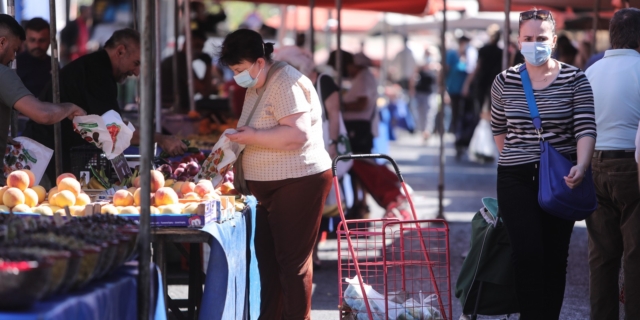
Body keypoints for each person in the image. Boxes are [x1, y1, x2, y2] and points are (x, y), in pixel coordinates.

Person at [491, 9, 596, 319]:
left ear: (552, 41)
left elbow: (586, 128)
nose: (533, 43)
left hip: (563, 177)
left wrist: (582, 165)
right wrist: (515, 158)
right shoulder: (504, 81)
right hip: (515, 178)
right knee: (526, 253)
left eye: (540, 38)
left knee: (554, 255)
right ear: (518, 41)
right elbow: (499, 128)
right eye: (527, 38)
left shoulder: (575, 78)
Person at [219, 29, 332, 320]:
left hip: (298, 182)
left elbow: (297, 135)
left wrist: (253, 136)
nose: (237, 76)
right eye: (233, 70)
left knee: (291, 265)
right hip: (270, 190)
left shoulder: (287, 81)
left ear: (259, 61)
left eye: (240, 69)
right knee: (268, 263)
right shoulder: (258, 83)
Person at [23, 29, 186, 186]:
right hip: (44, 158)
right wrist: (162, 139)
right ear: (120, 51)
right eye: (136, 63)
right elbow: (116, 131)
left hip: (54, 154)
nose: (136, 72)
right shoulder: (97, 73)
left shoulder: (96, 67)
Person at [584, 8, 640, 320]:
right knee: (636, 256)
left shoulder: (591, 71)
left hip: (594, 165)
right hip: (633, 167)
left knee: (601, 257)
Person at [0, 14, 85, 185]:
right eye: (14, 50)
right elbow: (43, 114)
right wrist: (70, 108)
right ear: (2, 43)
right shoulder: (3, 74)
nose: (13, 58)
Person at [327, 50, 379, 155]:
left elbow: (362, 104)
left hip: (358, 127)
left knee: (358, 160)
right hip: (357, 126)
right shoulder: (362, 77)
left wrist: (339, 106)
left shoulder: (363, 78)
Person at [160, 29, 216, 113]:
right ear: (185, 44)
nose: (199, 51)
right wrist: (208, 66)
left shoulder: (183, 61)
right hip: (170, 110)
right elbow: (204, 91)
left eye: (201, 47)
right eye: (196, 46)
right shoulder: (180, 61)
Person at [15, 17, 52, 97]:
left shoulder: (53, 64)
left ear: (50, 40)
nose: (37, 45)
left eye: (42, 40)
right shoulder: (15, 65)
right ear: (25, 40)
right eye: (32, 40)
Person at [445, 36, 472, 135]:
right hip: (452, 89)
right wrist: (444, 89)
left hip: (464, 91)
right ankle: (455, 133)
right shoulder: (452, 54)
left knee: (463, 114)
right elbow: (445, 71)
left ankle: (460, 133)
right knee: (454, 113)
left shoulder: (469, 56)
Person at [413, 49, 436, 142]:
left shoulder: (435, 66)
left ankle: (427, 131)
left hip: (430, 93)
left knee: (429, 114)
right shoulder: (420, 65)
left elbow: (439, 80)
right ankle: (422, 131)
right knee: (420, 113)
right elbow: (413, 76)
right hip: (419, 93)